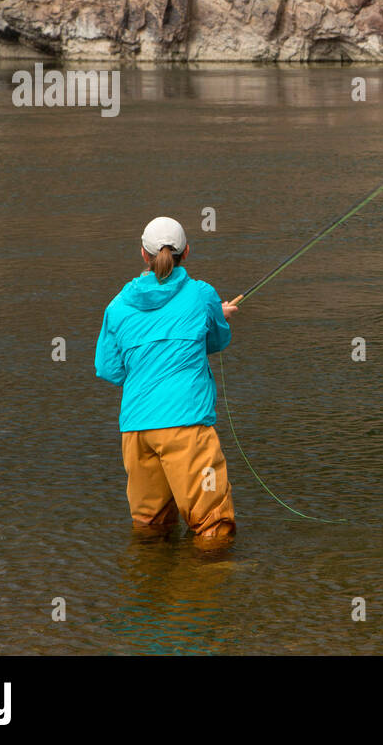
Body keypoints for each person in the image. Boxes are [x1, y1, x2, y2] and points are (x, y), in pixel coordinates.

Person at [95, 216, 240, 539]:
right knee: (213, 527)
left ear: (144, 255)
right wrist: (219, 313)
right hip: (186, 427)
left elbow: (109, 370)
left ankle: (152, 588)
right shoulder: (202, 295)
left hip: (136, 432)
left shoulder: (116, 307)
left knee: (150, 529)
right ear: (186, 252)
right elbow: (217, 342)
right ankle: (212, 586)